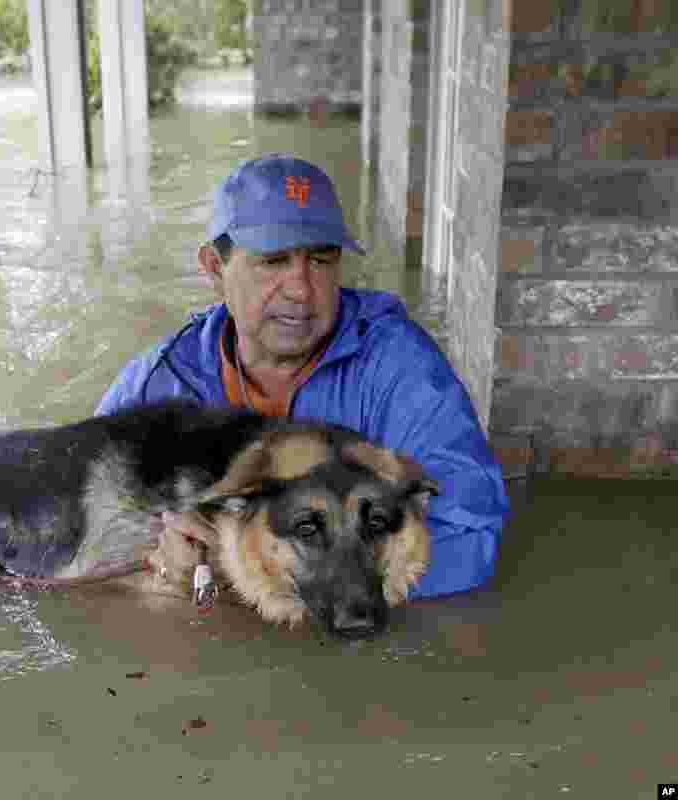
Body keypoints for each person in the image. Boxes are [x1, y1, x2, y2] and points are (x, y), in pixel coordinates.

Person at [96, 153, 509, 600]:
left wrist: (259, 575)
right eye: (273, 260)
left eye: (321, 259)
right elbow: (80, 534)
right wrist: (155, 560)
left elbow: (472, 536)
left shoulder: (397, 367)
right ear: (216, 269)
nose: (301, 289)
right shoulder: (162, 382)